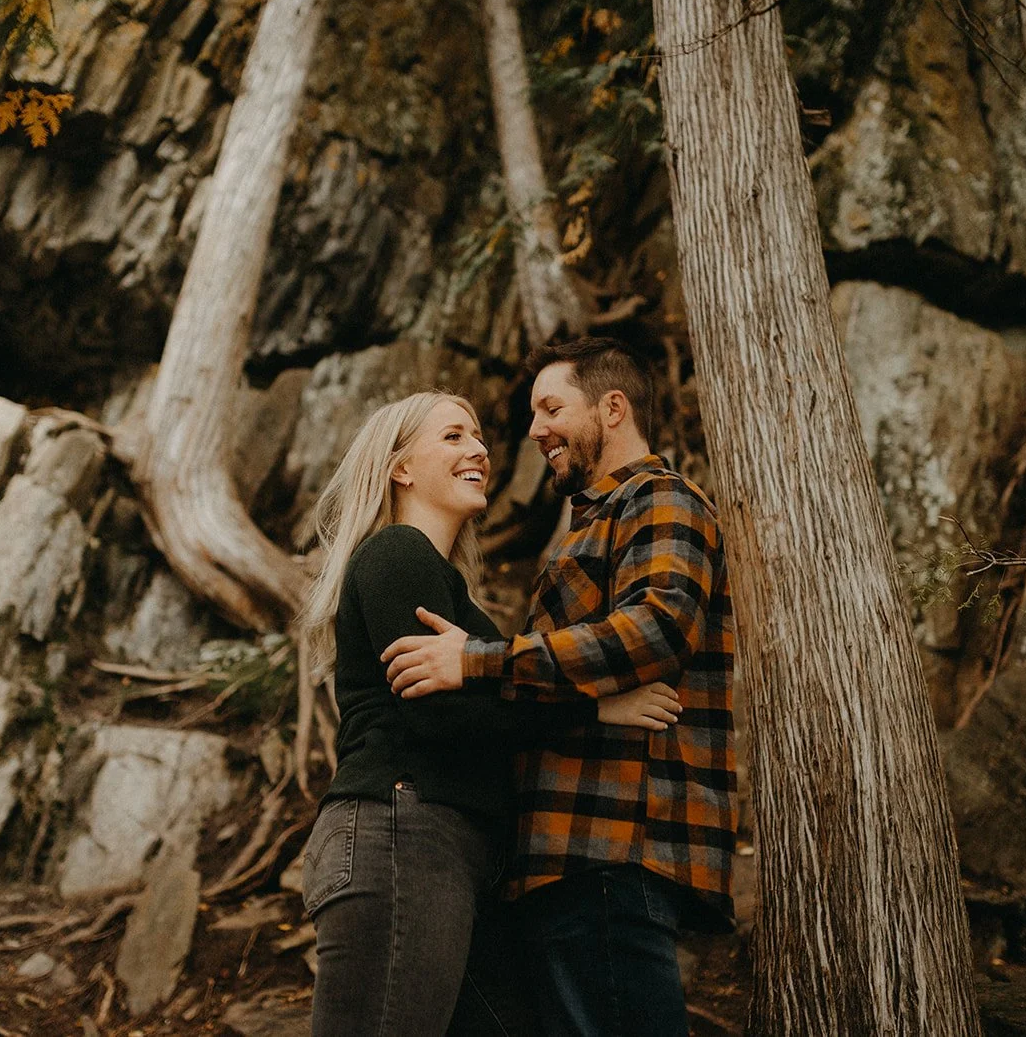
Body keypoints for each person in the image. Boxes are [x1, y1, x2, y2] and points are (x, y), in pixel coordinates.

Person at [297, 390, 684, 1037]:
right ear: (401, 467)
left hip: (452, 857)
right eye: (452, 436)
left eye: (477, 436)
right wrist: (595, 705)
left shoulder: (452, 594)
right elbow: (443, 716)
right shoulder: (396, 553)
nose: (478, 449)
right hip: (402, 832)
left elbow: (484, 705)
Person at [383, 339, 738, 1037]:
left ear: (612, 407)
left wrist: (478, 662)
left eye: (551, 407)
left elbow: (658, 628)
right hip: (565, 858)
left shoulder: (661, 498)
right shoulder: (590, 526)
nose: (535, 428)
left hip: (612, 846)